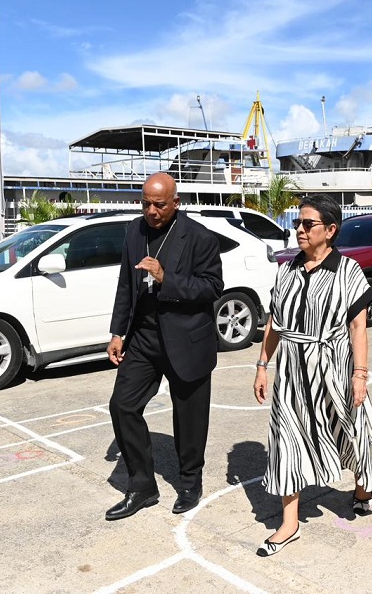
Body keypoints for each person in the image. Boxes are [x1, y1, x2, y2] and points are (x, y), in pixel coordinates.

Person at [253, 193, 372, 557]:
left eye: (308, 224)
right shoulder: (286, 270)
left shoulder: (348, 271)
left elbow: (358, 327)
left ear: (330, 230)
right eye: (297, 223)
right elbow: (275, 323)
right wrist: (262, 365)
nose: (299, 229)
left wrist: (359, 374)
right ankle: (289, 523)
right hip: (292, 371)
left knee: (352, 429)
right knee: (285, 439)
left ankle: (362, 487)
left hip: (334, 365)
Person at [105, 172, 223, 521]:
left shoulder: (199, 237)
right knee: (122, 406)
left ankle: (190, 482)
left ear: (176, 202)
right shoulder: (134, 231)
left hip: (187, 338)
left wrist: (165, 278)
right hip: (143, 337)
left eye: (159, 205)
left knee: (189, 417)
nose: (151, 212)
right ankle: (142, 485)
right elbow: (125, 284)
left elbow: (212, 287)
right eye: (145, 204)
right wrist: (117, 332)